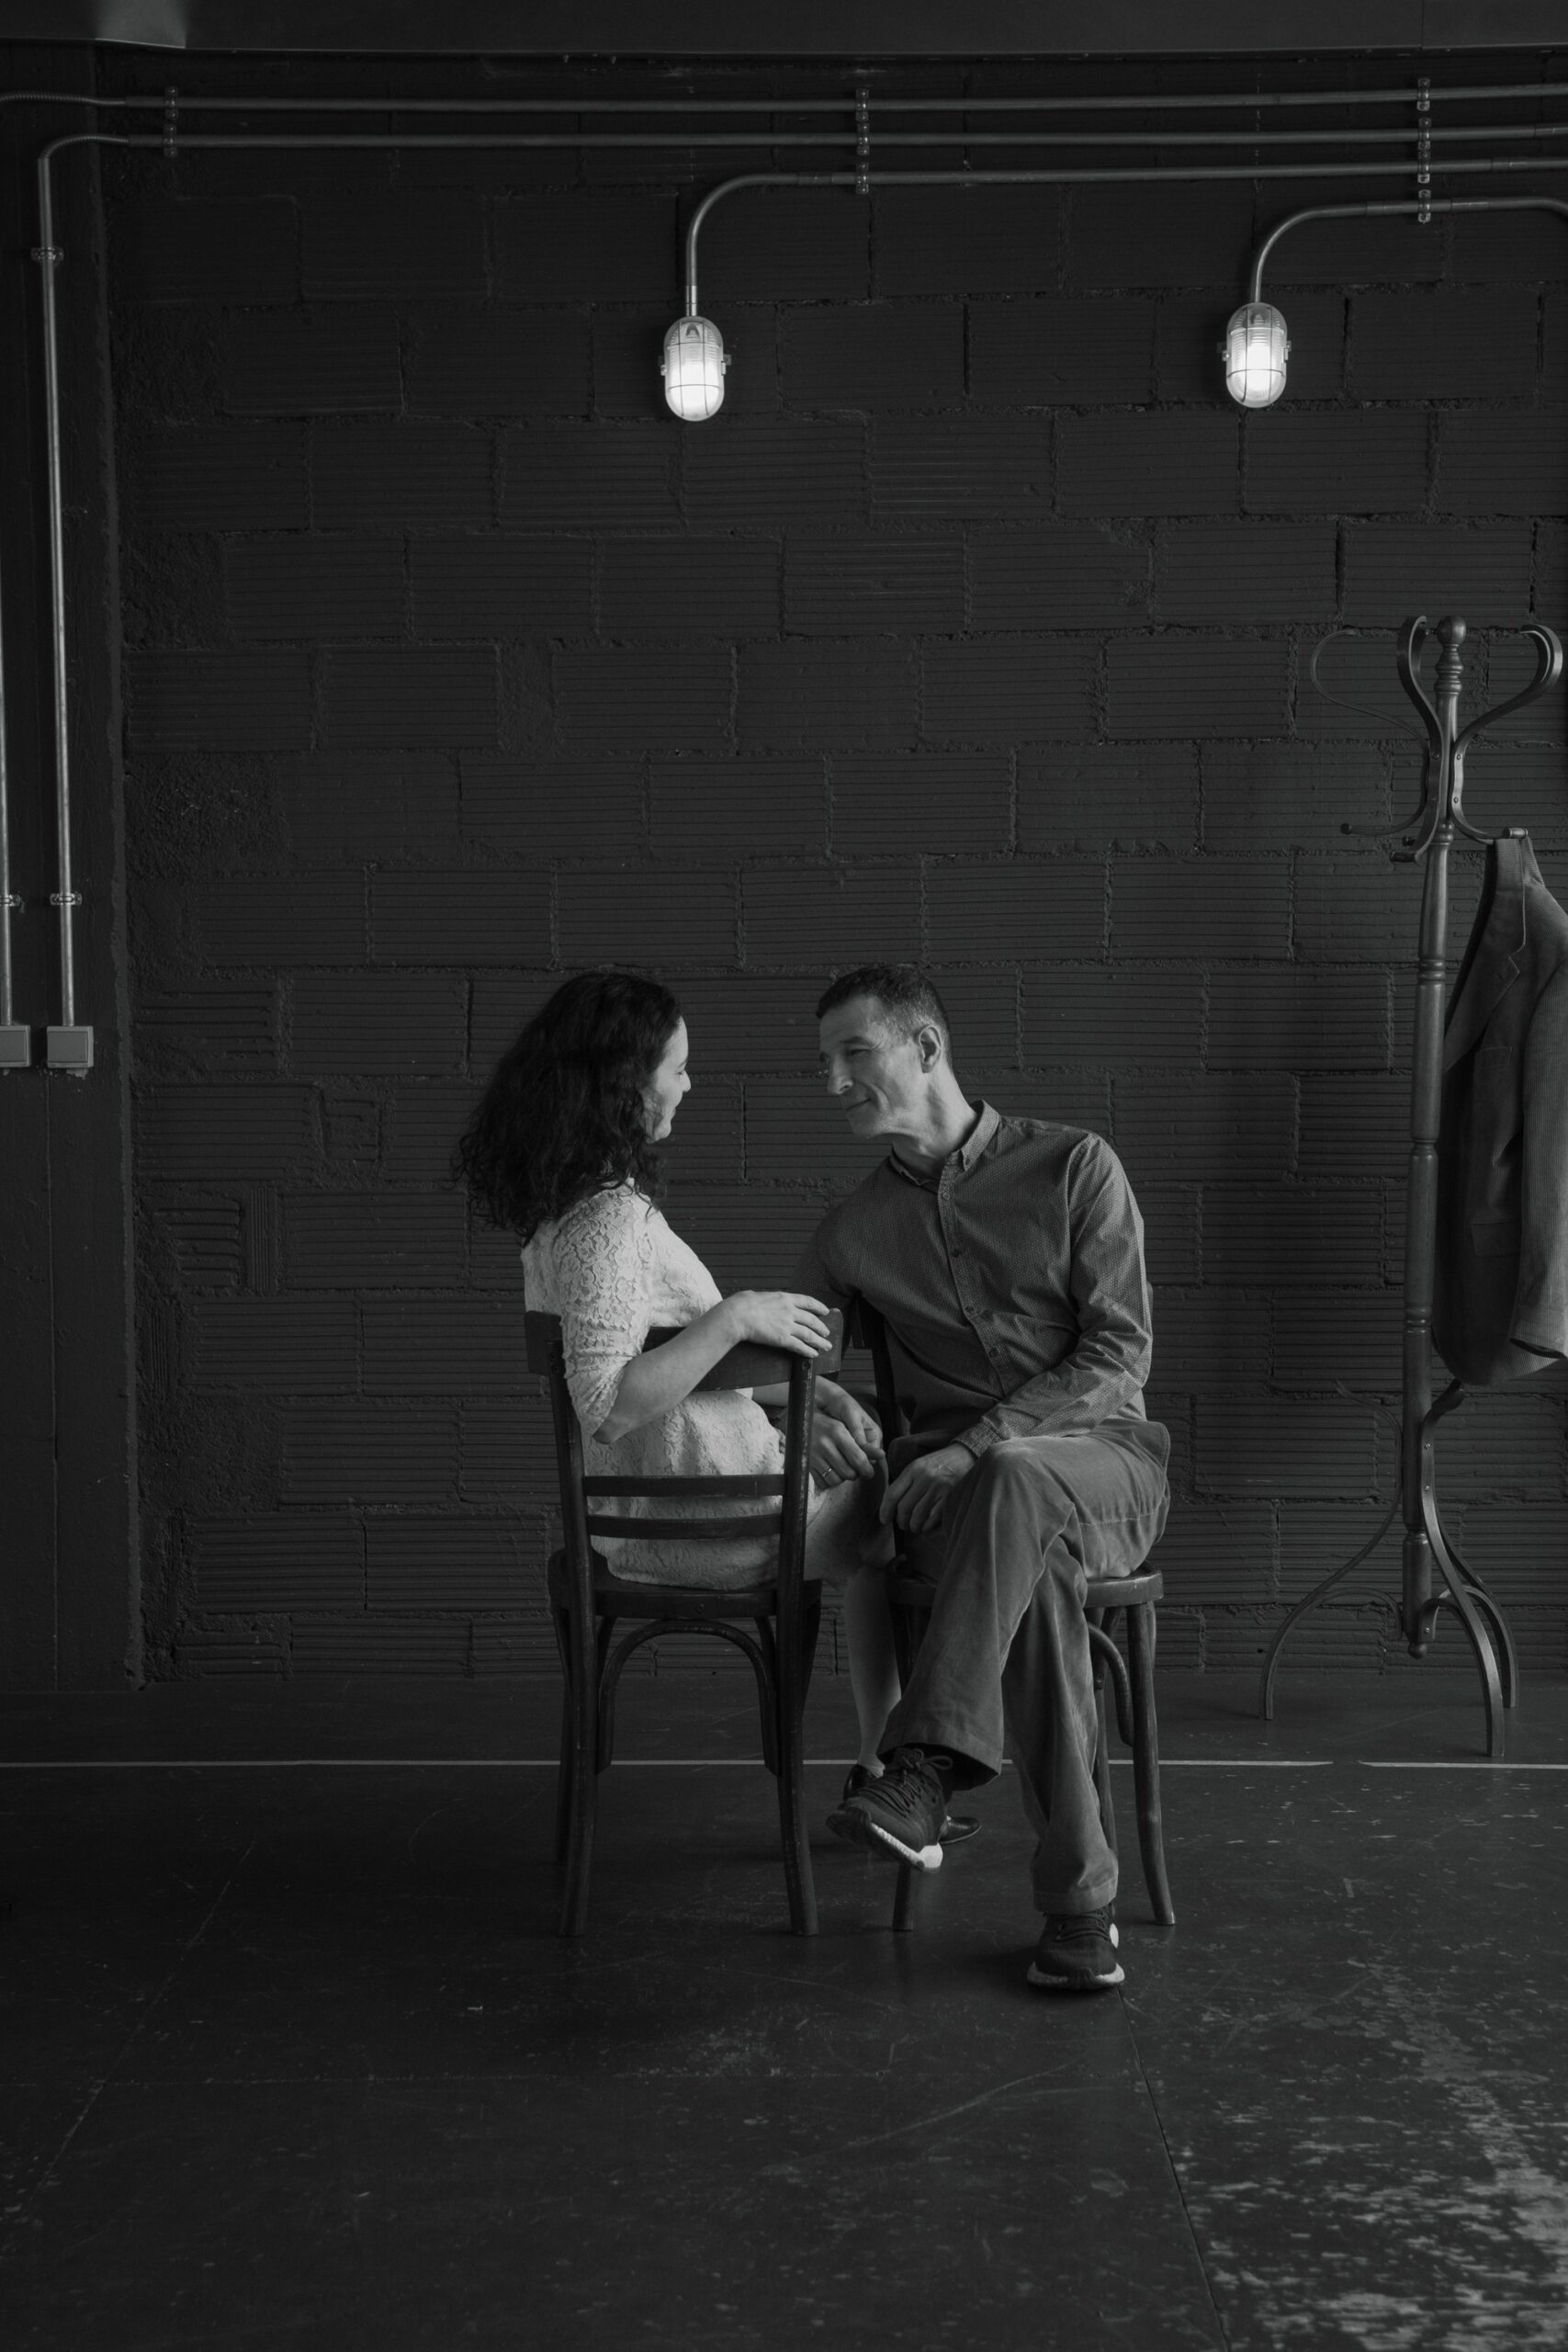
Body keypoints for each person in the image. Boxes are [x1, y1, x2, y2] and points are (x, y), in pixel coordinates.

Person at [793, 963, 1170, 1994]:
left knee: (1012, 1475)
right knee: (1024, 1548)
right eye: (823, 1063)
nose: (833, 1082)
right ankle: (1079, 1912)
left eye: (853, 1054)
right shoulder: (851, 1231)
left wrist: (974, 1444)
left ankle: (921, 1764)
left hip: (1106, 1469)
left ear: (925, 1047)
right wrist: (821, 1412)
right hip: (967, 1510)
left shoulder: (1074, 1167)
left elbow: (1118, 1355)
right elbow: (795, 1367)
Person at [453, 970, 904, 1777]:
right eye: (678, 1068)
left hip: (670, 1510)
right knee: (913, 1498)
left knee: (868, 1441)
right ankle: (900, 1769)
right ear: (625, 1083)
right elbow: (608, 1404)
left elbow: (668, 1372)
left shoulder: (569, 1213)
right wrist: (735, 1317)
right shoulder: (608, 1224)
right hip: (715, 1525)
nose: (689, 1085)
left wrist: (816, 1395)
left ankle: (884, 1762)